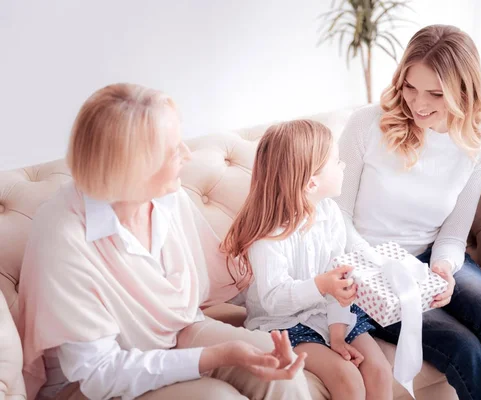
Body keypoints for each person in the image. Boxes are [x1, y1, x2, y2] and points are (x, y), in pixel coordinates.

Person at [17, 83, 310, 400]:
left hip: (177, 333)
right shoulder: (64, 238)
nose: (187, 154)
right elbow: (99, 374)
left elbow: (220, 278)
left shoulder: (169, 199)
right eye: (173, 150)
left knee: (279, 368)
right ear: (133, 166)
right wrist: (218, 355)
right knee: (217, 397)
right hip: (93, 383)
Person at [335, 25, 481, 400]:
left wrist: (444, 269)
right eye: (410, 87)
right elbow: (337, 219)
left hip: (429, 259)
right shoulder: (366, 125)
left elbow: (451, 233)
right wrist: (384, 269)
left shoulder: (477, 148)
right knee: (462, 346)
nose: (418, 103)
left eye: (435, 93)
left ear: (464, 91)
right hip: (366, 266)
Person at [221, 120, 393, 400]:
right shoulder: (268, 235)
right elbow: (273, 299)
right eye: (337, 162)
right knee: (348, 379)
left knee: (379, 371)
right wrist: (320, 285)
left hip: (329, 315)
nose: (344, 167)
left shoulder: (331, 214)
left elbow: (340, 283)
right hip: (281, 324)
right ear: (312, 182)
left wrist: (337, 334)